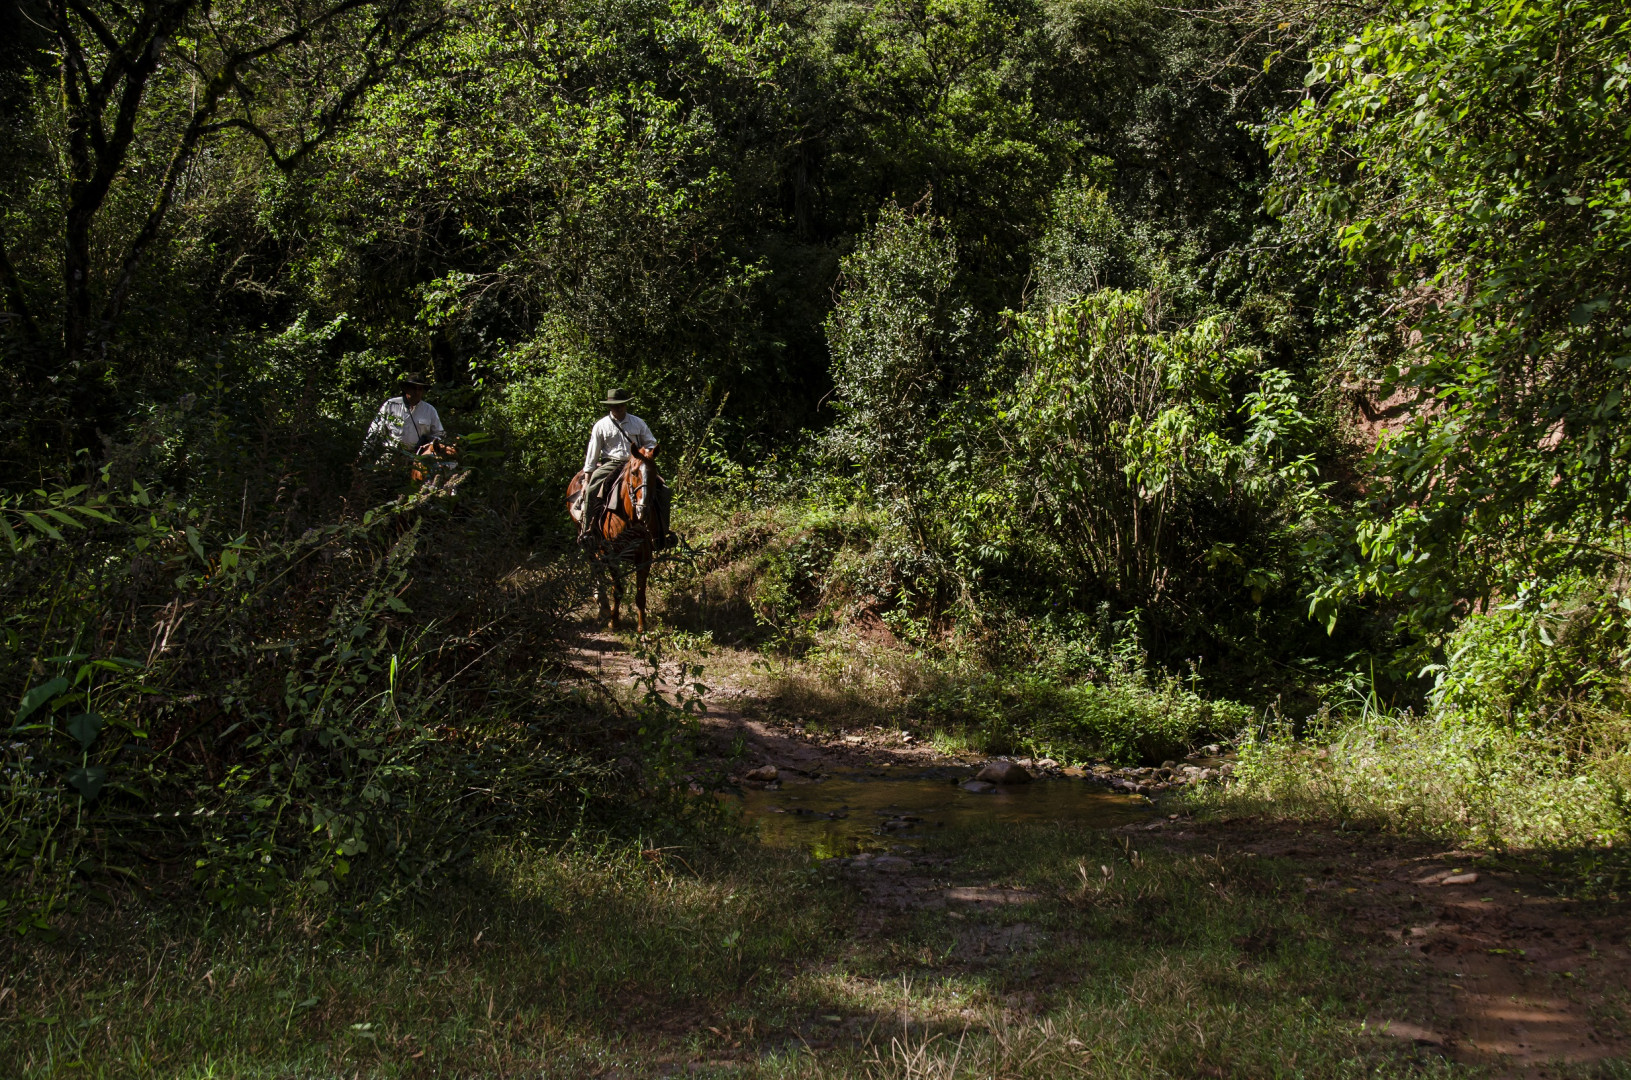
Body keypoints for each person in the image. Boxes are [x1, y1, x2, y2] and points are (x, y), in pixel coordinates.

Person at [580, 388, 657, 539]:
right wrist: (587, 478)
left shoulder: (638, 422)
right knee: (592, 489)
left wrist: (645, 454)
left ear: (626, 405)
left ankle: (662, 532)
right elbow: (593, 453)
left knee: (663, 489)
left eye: (621, 405)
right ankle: (587, 529)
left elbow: (651, 443)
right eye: (615, 405)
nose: (618, 408)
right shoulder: (601, 426)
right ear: (609, 406)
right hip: (612, 463)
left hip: (636, 463)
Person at [367, 372, 456, 463]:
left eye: (420, 389)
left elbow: (439, 434)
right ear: (406, 388)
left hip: (419, 458)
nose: (417, 392)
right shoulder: (391, 405)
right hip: (391, 457)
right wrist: (365, 453)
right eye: (413, 388)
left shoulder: (429, 410)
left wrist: (429, 446)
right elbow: (374, 431)